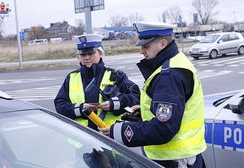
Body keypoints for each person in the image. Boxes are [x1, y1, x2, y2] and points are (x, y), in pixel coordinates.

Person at [99, 22, 207, 168]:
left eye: (146, 46)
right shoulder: (174, 63)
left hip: (175, 160)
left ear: (162, 43)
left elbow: (164, 128)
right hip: (181, 157)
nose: (141, 51)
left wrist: (119, 131)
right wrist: (145, 111)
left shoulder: (168, 75)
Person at [54, 34, 140, 131]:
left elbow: (135, 97)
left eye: (91, 53)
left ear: (100, 53)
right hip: (81, 138)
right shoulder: (71, 78)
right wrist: (81, 108)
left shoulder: (116, 75)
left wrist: (113, 104)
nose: (86, 58)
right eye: (83, 54)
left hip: (109, 135)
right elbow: (60, 106)